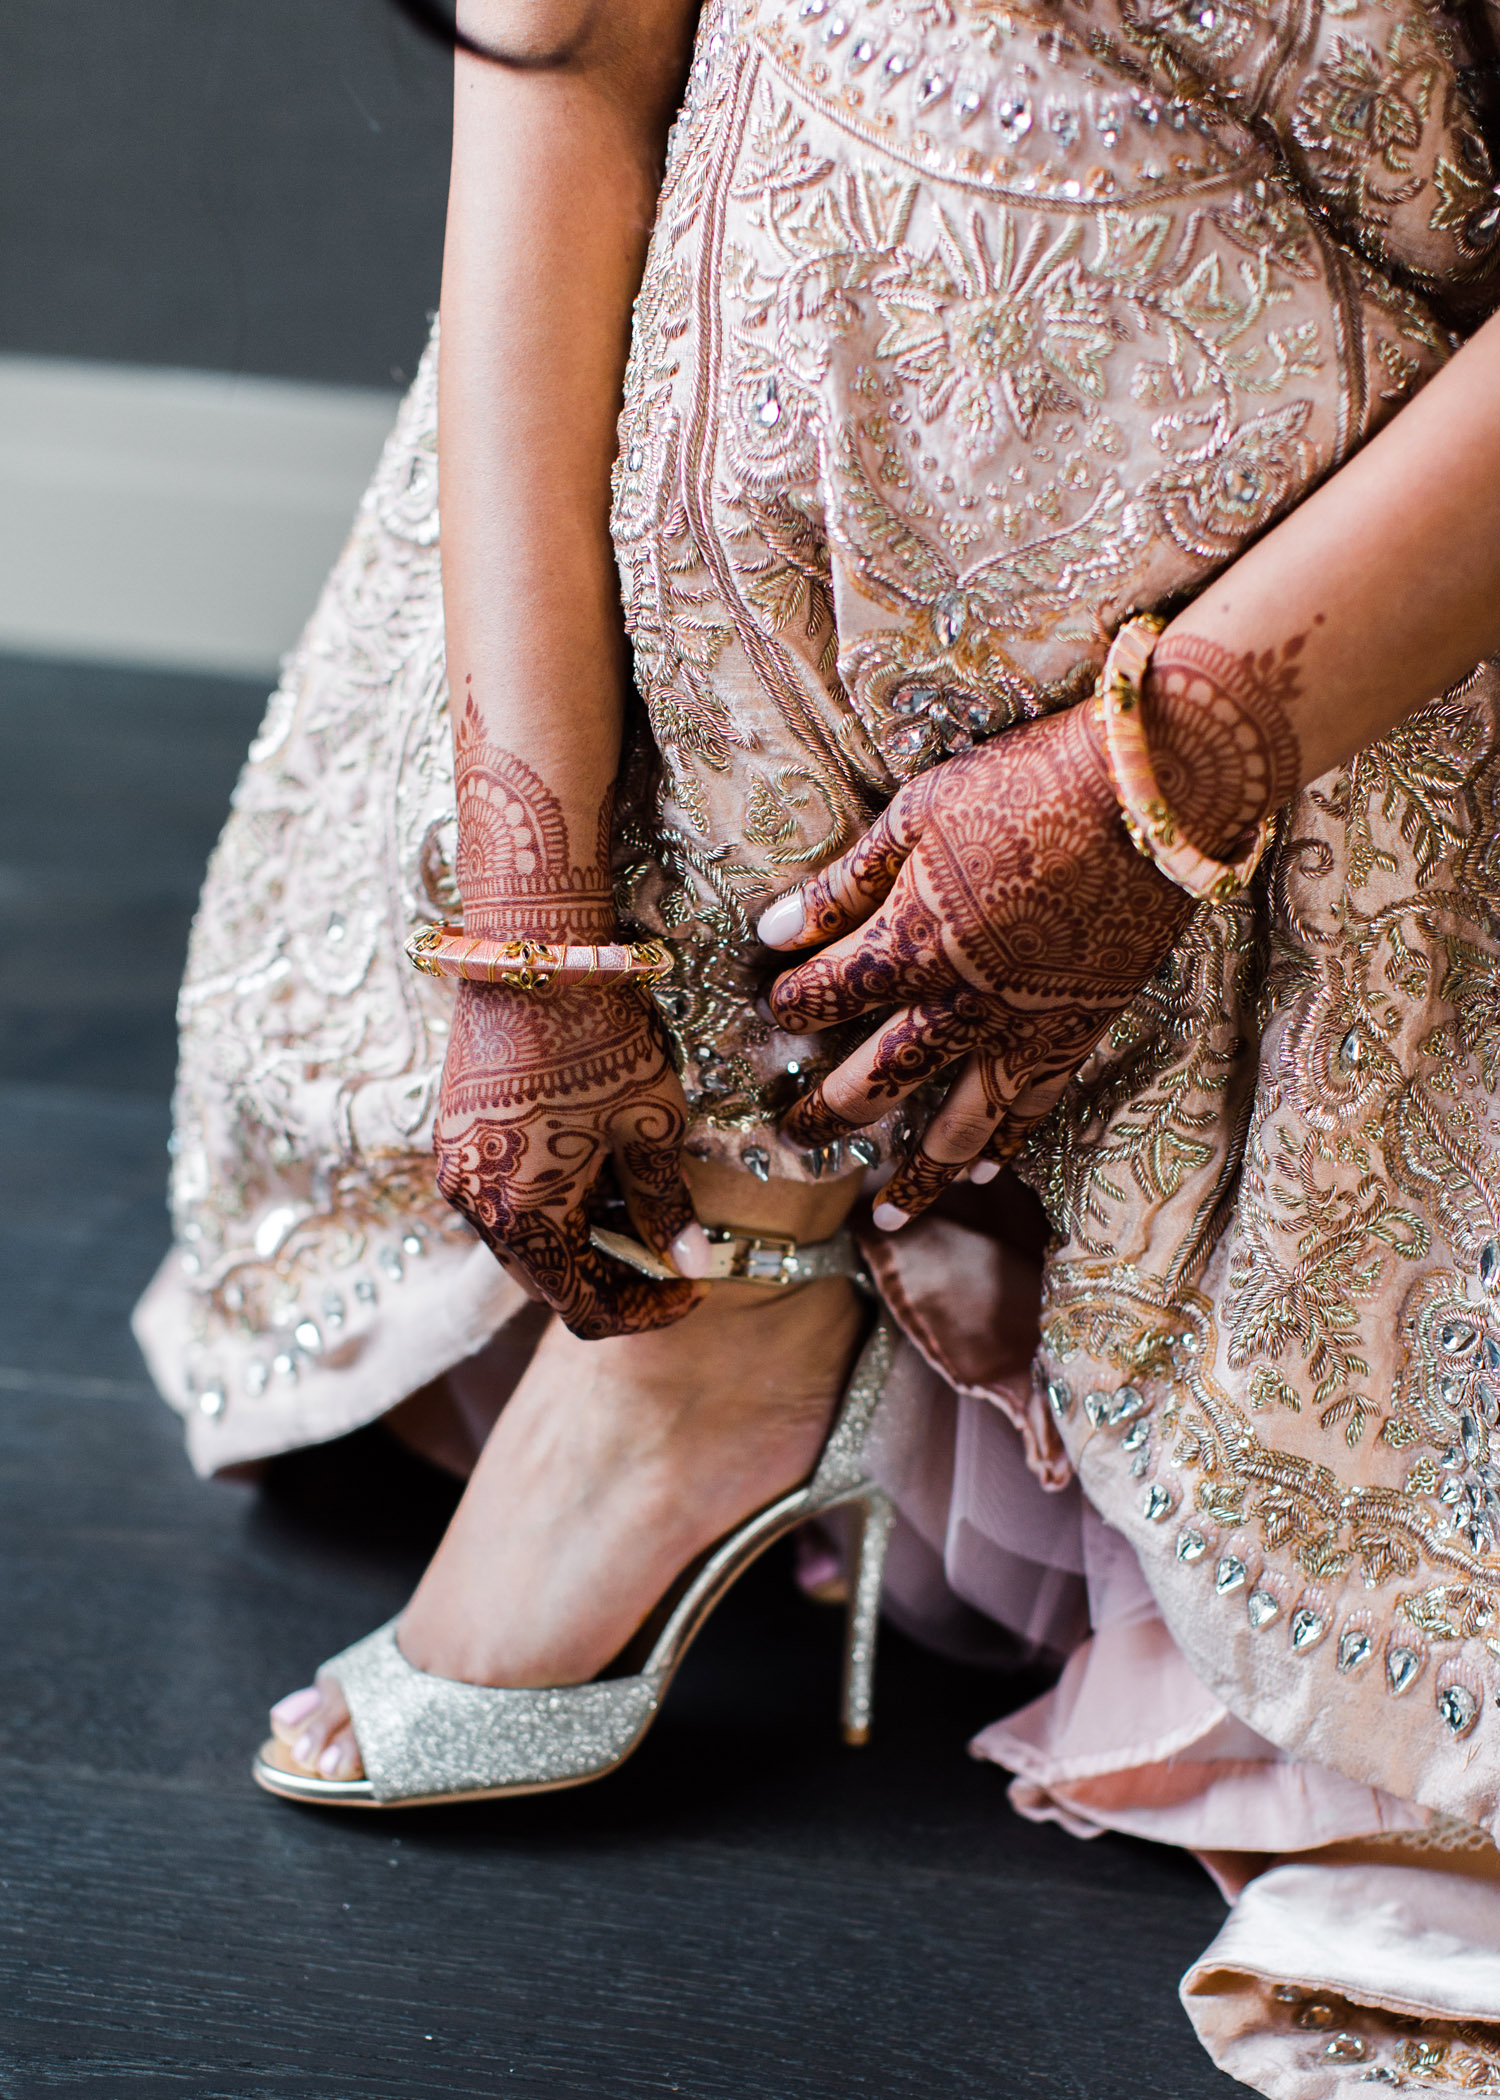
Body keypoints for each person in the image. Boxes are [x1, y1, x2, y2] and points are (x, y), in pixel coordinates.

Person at [134, 0, 1500, 2086]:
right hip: (800, 407)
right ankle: (735, 1232)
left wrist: (1174, 769)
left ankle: (744, 1292)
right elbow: (567, 57)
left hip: (1388, 506)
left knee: (915, 102)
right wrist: (529, 932)